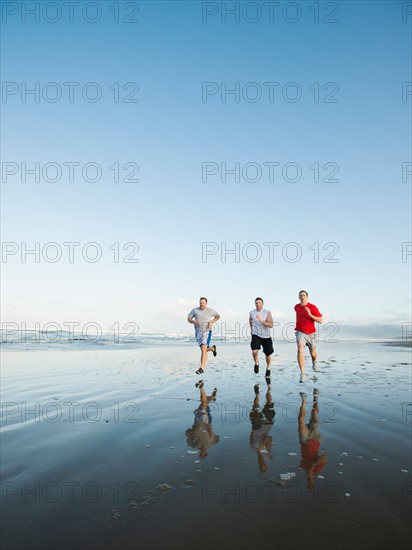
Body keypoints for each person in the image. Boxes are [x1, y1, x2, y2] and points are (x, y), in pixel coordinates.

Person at [298, 388, 327, 492]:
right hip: (315, 439)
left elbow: (304, 460)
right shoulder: (317, 470)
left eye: (308, 479)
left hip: (304, 441)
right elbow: (325, 457)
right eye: (311, 480)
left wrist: (309, 468)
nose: (310, 477)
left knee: (301, 423)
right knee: (314, 415)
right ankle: (316, 399)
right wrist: (314, 464)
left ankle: (304, 400)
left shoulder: (303, 467)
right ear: (314, 479)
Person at [185, 381, 219, 459]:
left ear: (200, 454)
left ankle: (212, 397)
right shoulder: (210, 444)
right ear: (206, 453)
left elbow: (187, 433)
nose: (202, 453)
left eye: (201, 454)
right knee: (204, 404)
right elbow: (214, 436)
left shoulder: (194, 445)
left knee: (204, 403)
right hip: (205, 422)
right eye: (204, 454)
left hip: (197, 421)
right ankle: (201, 388)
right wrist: (210, 429)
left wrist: (190, 432)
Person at [294, 290, 323, 383]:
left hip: (311, 333)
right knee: (300, 350)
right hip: (300, 332)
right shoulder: (296, 307)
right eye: (300, 295)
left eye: (304, 295)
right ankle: (303, 374)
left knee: (313, 354)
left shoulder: (312, 307)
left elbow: (320, 320)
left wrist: (310, 314)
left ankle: (314, 362)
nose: (302, 297)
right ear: (298, 297)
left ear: (307, 297)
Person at [187, 297, 220, 375]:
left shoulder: (210, 310)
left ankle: (201, 368)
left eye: (203, 303)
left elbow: (218, 316)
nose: (201, 304)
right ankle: (212, 348)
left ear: (206, 303)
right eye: (200, 303)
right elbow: (188, 318)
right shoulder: (195, 310)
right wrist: (193, 321)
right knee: (203, 350)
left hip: (207, 331)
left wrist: (212, 321)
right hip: (198, 332)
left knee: (203, 348)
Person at [249, 380, 275, 472]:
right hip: (267, 424)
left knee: (255, 406)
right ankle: (269, 390)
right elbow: (270, 438)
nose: (262, 461)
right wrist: (265, 443)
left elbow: (251, 434)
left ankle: (257, 394)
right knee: (269, 403)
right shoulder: (268, 452)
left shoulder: (253, 447)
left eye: (261, 463)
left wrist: (253, 425)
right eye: (263, 463)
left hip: (256, 425)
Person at [249, 297, 274, 378]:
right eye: (256, 303)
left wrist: (262, 321)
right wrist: (251, 329)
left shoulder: (267, 312)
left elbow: (271, 325)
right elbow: (250, 320)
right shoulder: (252, 312)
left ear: (262, 304)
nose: (258, 304)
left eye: (259, 303)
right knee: (254, 350)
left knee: (268, 354)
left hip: (266, 336)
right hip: (256, 334)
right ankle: (256, 363)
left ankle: (268, 368)